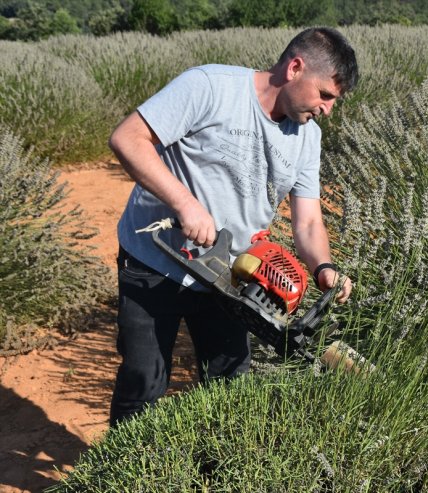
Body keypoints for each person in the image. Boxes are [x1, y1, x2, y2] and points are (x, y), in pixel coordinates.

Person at [107, 27, 358, 426]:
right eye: (325, 95)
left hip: (228, 279)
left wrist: (324, 267)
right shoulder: (209, 87)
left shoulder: (307, 137)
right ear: (295, 67)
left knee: (228, 392)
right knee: (144, 386)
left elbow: (308, 220)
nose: (327, 109)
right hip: (153, 262)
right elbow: (128, 138)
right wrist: (186, 204)